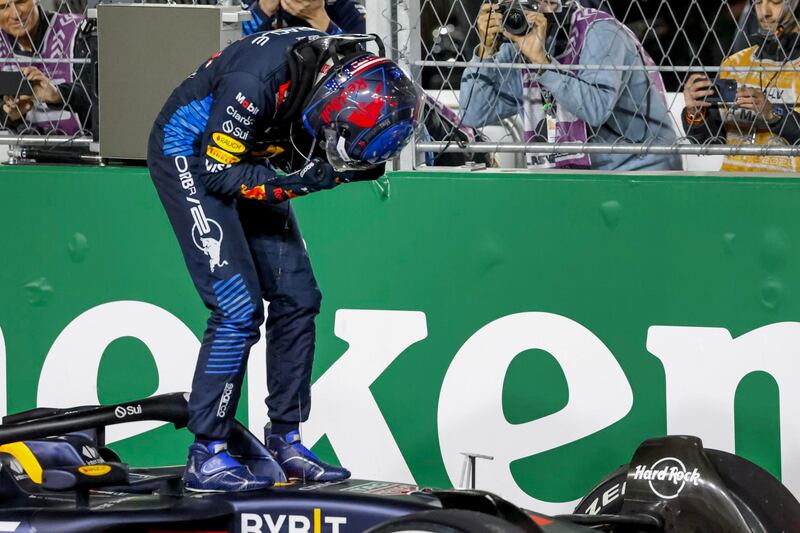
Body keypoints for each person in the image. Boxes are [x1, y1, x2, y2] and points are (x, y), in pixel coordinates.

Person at [147, 29, 419, 492]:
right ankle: (206, 453)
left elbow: (291, 149)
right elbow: (220, 175)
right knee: (237, 307)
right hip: (191, 155)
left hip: (247, 153)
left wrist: (328, 168)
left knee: (298, 297)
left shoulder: (339, 74)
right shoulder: (253, 82)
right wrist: (304, 181)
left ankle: (285, 441)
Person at [459, 0, 681, 171]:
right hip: (579, 179)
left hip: (639, 169)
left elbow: (596, 110)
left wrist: (543, 64)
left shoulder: (600, 31)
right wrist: (485, 52)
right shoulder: (517, 44)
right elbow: (473, 115)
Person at [682, 0, 800, 172]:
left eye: (775, 2)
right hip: (734, 183)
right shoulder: (735, 63)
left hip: (788, 185)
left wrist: (773, 113)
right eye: (758, 2)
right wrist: (696, 113)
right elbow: (710, 141)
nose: (764, 12)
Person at [0, 0, 93, 134]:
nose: (16, 14)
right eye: (3, 7)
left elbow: (102, 97)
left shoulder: (78, 30)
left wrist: (58, 95)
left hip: (82, 144)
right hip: (22, 145)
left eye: (21, 2)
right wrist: (10, 115)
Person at [242, 0, 366, 36]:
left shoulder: (342, 7)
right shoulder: (251, 4)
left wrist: (318, 17)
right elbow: (234, 52)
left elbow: (363, 61)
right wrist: (263, 10)